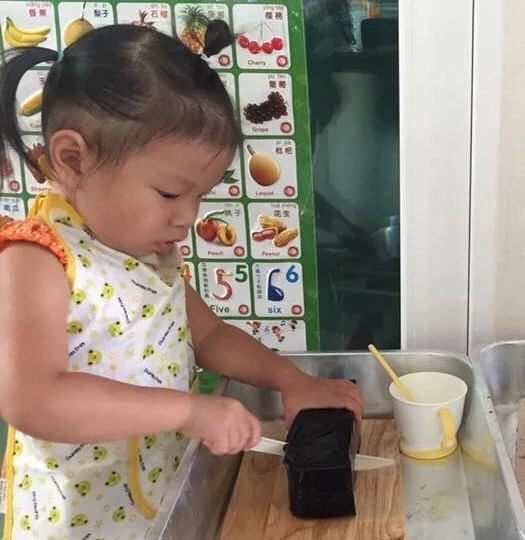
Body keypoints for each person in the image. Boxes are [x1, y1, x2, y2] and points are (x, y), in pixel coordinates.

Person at [0, 23, 362, 539]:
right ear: (73, 159)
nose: (188, 218)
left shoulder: (149, 254)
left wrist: (292, 381)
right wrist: (188, 411)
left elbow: (209, 336)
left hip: (159, 505)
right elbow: (34, 399)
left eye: (199, 197)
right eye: (170, 194)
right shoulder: (37, 258)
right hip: (77, 523)